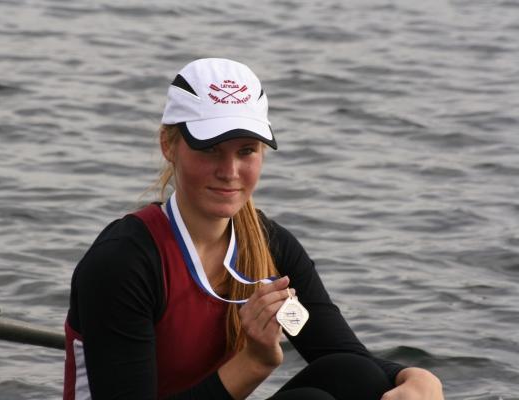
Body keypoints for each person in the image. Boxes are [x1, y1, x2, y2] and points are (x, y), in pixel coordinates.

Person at [63, 58, 444, 400]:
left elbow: (342, 355)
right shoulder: (122, 261)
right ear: (168, 145)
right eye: (210, 149)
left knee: (355, 375)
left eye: (246, 151)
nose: (229, 172)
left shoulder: (271, 245)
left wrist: (415, 377)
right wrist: (254, 363)